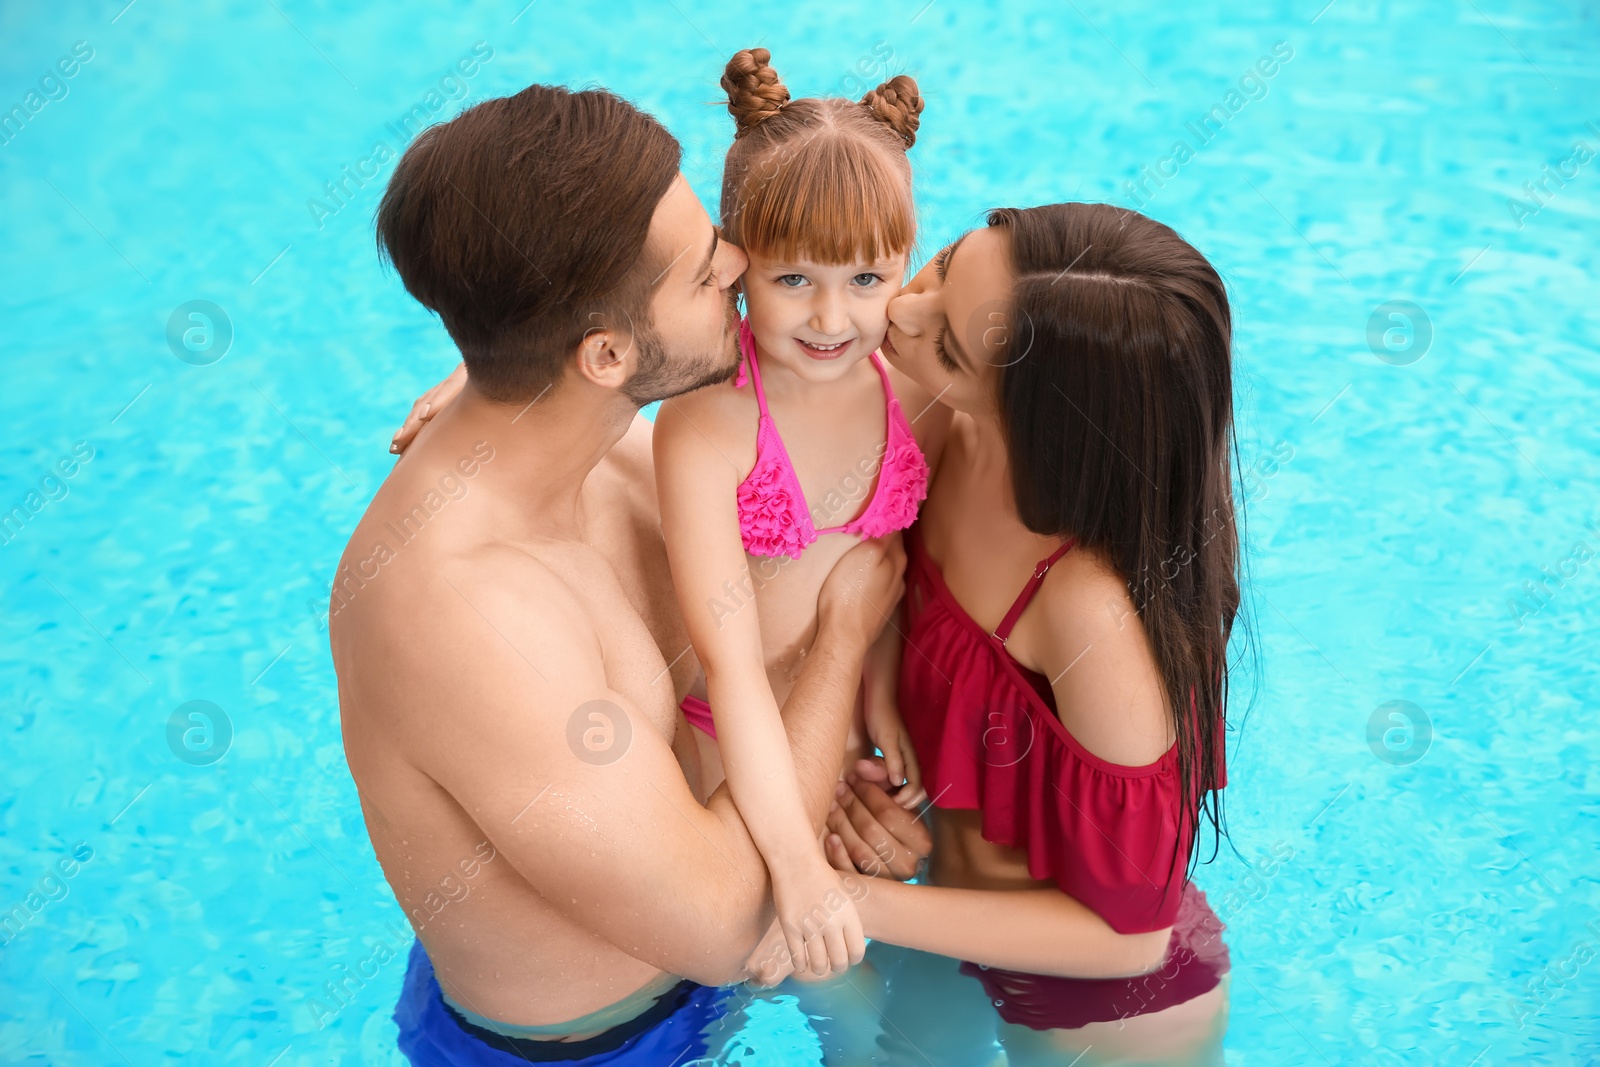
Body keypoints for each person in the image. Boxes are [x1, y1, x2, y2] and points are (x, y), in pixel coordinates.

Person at [332, 82, 904, 1065]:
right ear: (603, 352)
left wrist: (833, 787)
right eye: (700, 273)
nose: (739, 262)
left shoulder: (616, 441)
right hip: (604, 1046)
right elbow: (724, 921)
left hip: (725, 924)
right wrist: (846, 638)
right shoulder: (462, 612)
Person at [800, 202, 1242, 1065]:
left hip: (1095, 1003)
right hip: (940, 913)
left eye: (949, 344)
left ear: (1052, 420)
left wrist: (842, 897)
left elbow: (1130, 937)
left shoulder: (1090, 607)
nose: (900, 311)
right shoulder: (951, 411)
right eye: (942, 266)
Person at [651, 47, 947, 983]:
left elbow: (883, 560)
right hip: (727, 744)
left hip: (847, 725)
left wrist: (885, 694)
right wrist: (792, 867)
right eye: (793, 282)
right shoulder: (713, 421)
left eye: (866, 280)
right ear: (739, 264)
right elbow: (732, 666)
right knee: (763, 978)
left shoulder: (906, 385)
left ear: (906, 261)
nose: (831, 317)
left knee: (893, 1010)